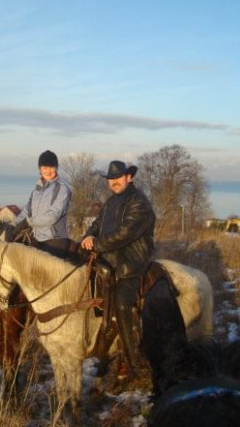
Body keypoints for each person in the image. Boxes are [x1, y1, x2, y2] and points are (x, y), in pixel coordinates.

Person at [81, 160, 156, 380]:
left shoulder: (139, 202)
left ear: (128, 177)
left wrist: (98, 244)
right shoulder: (111, 202)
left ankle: (135, 363)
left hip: (130, 260)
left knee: (122, 302)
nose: (114, 182)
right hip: (108, 257)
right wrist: (88, 236)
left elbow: (126, 232)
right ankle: (101, 350)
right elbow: (96, 224)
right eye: (111, 179)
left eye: (118, 178)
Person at [13, 150, 72, 259]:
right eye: (45, 168)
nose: (48, 171)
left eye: (51, 167)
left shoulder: (62, 189)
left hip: (55, 241)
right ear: (40, 169)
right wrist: (14, 225)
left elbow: (53, 215)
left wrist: (29, 222)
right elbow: (27, 211)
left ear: (56, 168)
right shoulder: (36, 190)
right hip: (37, 238)